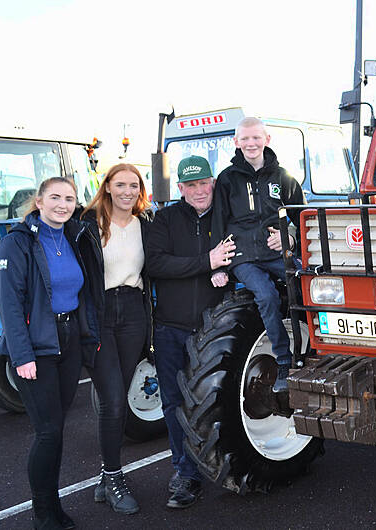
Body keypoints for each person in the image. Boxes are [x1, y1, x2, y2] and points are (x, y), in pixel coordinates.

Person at [0, 177, 100, 529]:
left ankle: (54, 507)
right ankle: (43, 514)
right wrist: (22, 355)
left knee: (57, 428)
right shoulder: (17, 243)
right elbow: (10, 304)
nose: (62, 204)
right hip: (37, 344)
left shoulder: (74, 237)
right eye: (54, 197)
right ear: (39, 201)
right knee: (47, 431)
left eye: (69, 198)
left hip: (68, 340)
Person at [145, 156, 234, 508]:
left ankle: (224, 464)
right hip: (171, 329)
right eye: (191, 185)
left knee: (220, 402)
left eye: (204, 183)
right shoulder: (164, 220)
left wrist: (229, 271)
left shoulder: (226, 216)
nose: (199, 191)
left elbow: (242, 255)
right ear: (180, 188)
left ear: (213, 183)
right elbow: (156, 264)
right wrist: (206, 264)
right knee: (173, 403)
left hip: (217, 329)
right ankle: (186, 474)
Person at [211, 117, 304, 392]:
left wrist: (290, 237)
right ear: (236, 142)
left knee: (306, 284)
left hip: (274, 252)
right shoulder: (227, 179)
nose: (251, 144)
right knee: (266, 295)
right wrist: (219, 267)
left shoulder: (283, 176)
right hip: (243, 257)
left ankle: (314, 350)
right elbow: (218, 222)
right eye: (245, 139)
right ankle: (284, 362)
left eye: (256, 138)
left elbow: (302, 216)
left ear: (267, 139)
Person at [81, 163, 152, 515]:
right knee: (111, 400)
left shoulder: (146, 225)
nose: (127, 191)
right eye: (120, 184)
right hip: (100, 314)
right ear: (107, 186)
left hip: (133, 312)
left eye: (134, 185)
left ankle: (105, 476)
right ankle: (112, 478)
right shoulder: (87, 226)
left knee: (120, 397)